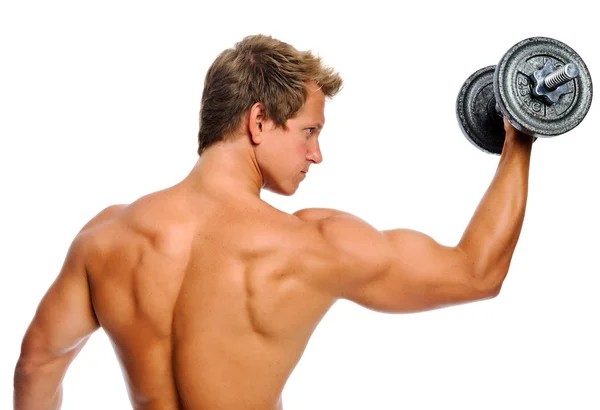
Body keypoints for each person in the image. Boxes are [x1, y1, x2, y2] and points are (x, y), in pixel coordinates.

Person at [13, 34, 534, 410]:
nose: (317, 154)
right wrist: (521, 139)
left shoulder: (107, 236)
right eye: (309, 131)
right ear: (259, 121)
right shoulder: (309, 244)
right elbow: (476, 273)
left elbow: (37, 363)